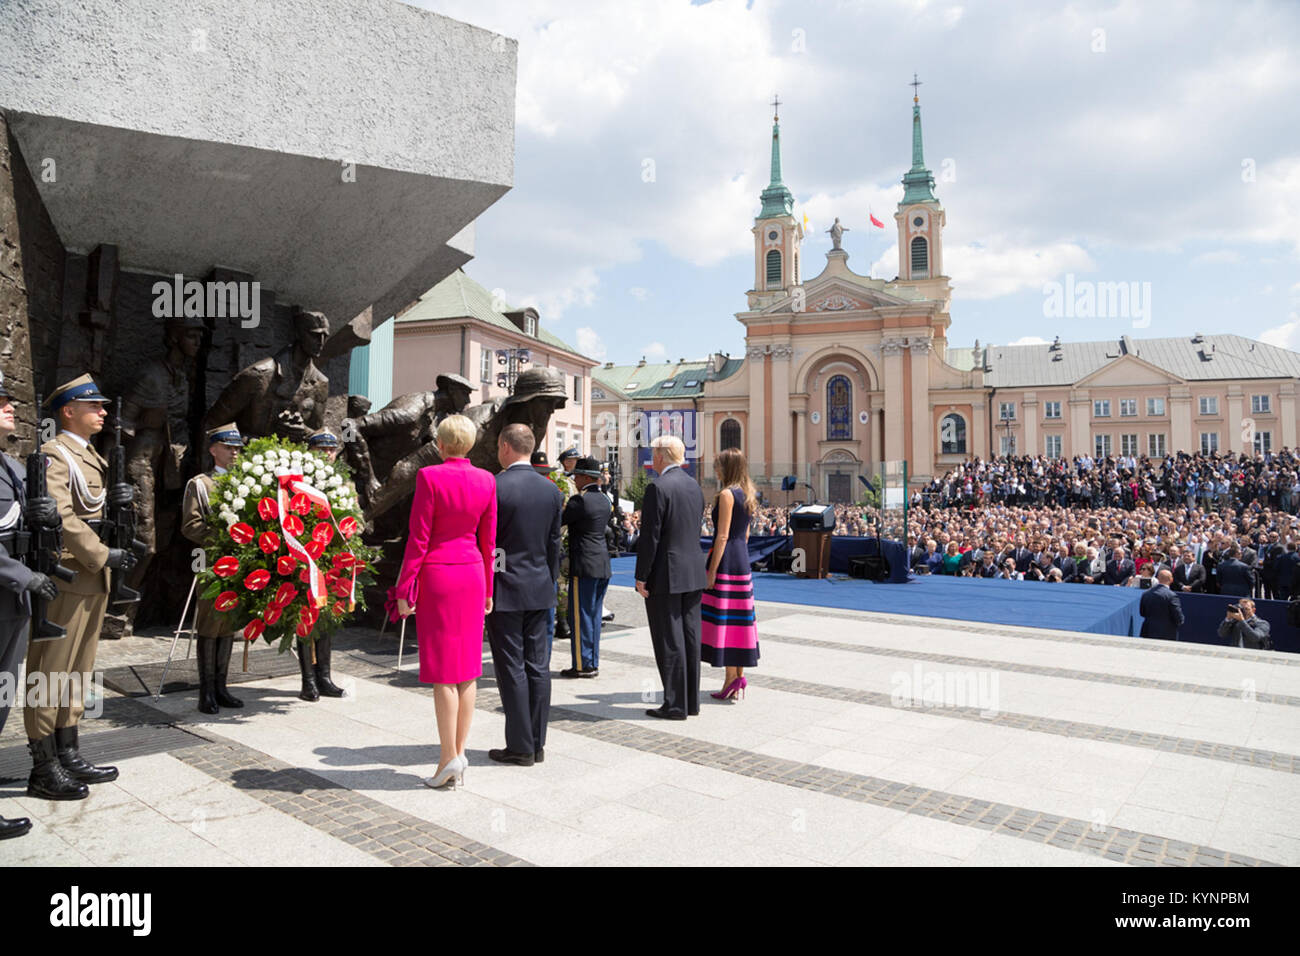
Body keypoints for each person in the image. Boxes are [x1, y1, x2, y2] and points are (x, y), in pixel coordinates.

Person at [25, 374, 137, 800]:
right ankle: (43, 765)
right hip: (69, 576)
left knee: (77, 672)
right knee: (50, 672)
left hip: (93, 579)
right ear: (68, 411)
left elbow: (95, 510)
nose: (103, 413)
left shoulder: (91, 455)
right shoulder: (56, 456)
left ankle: (68, 752)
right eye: (95, 406)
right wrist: (102, 554)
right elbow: (64, 517)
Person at [395, 415, 496, 790]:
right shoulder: (487, 480)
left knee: (442, 672)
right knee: (468, 669)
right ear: (469, 444)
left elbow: (418, 538)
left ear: (440, 444)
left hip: (438, 575)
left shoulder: (430, 477)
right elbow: (489, 539)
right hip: (471, 574)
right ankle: (459, 754)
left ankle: (447, 757)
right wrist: (488, 589)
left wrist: (406, 588)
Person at [0, 372, 61, 837]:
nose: (9, 407)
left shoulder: (13, 466)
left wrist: (51, 517)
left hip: (13, 606)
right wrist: (26, 575)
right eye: (0, 401)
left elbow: (36, 523)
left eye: (8, 399)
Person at [485, 425, 562, 766]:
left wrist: (492, 577)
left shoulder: (495, 486)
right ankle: (537, 742)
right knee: (538, 666)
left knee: (511, 666)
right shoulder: (551, 490)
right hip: (540, 585)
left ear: (505, 447)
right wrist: (549, 580)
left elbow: (491, 545)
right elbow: (553, 545)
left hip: (505, 587)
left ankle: (519, 745)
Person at [180, 423, 252, 712]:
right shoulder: (201, 484)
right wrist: (224, 537)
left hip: (242, 564)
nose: (234, 452)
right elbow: (191, 525)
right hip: (213, 564)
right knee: (210, 626)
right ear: (213, 450)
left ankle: (222, 687)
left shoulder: (248, 482)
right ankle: (206, 691)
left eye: (237, 447)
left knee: (230, 626)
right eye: (228, 447)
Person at [635, 435, 707, 720]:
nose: (652, 459)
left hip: (666, 573)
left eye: (654, 453)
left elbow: (650, 537)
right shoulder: (694, 486)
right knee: (691, 637)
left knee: (669, 639)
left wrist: (642, 576)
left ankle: (675, 704)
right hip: (692, 571)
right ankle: (691, 701)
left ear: (662, 456)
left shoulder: (657, 487)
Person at [701, 449, 759, 701]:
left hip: (726, 560)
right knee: (740, 622)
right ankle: (737, 678)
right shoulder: (747, 494)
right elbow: (744, 535)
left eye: (718, 466)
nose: (716, 470)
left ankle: (730, 679)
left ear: (728, 468)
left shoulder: (725, 494)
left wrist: (711, 570)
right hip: (741, 559)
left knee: (725, 619)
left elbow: (721, 535)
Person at [561, 456, 612, 677]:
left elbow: (558, 521)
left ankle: (582, 665)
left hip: (584, 564)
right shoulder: (605, 500)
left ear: (583, 477)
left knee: (580, 616)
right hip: (602, 563)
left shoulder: (579, 500)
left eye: (576, 477)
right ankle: (592, 661)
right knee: (593, 616)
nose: (575, 481)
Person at [1139, 569, 1184, 640]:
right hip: (1166, 633)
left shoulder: (1146, 593)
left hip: (1148, 631)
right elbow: (1178, 617)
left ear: (1158, 579)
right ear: (1171, 579)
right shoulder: (1172, 596)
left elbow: (1142, 613)